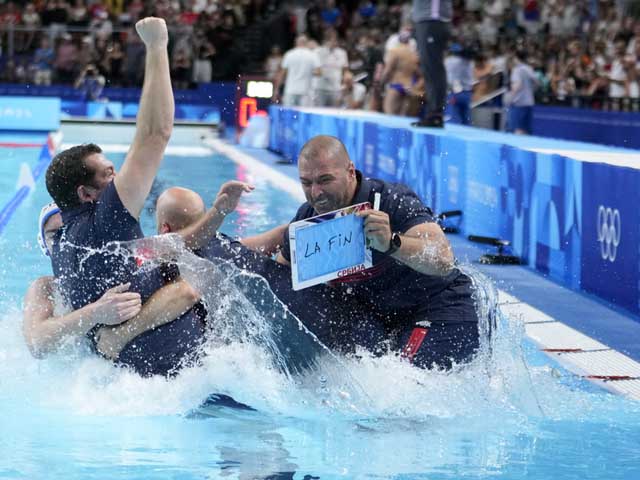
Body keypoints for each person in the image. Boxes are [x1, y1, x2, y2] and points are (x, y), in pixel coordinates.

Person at [42, 17, 230, 377]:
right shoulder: (104, 219)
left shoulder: (68, 243)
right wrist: (157, 45)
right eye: (108, 176)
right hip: (169, 372)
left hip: (128, 375)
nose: (118, 180)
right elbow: (155, 133)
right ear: (86, 193)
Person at [257, 135, 482, 370]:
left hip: (438, 307)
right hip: (378, 319)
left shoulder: (390, 200)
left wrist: (392, 243)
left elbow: (443, 258)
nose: (316, 193)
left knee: (406, 384)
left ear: (350, 172)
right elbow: (279, 282)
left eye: (325, 180)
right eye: (306, 183)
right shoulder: (310, 219)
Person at [411, 0, 453, 128]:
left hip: (433, 18)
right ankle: (433, 113)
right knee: (429, 69)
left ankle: (436, 114)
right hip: (426, 19)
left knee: (434, 69)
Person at [380, 30, 421, 116]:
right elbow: (418, 73)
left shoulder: (394, 51)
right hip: (410, 85)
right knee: (404, 116)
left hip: (397, 84)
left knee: (389, 113)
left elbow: (388, 70)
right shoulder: (414, 54)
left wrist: (381, 82)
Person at [273, 35, 321, 107]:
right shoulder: (312, 55)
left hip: (290, 90)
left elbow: (282, 74)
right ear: (306, 43)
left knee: (289, 115)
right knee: (303, 116)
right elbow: (319, 72)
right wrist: (308, 72)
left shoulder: (289, 54)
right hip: (305, 92)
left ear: (296, 43)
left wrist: (276, 90)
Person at [505, 50, 538, 135]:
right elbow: (537, 82)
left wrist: (509, 98)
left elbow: (517, 85)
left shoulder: (516, 70)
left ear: (516, 58)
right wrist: (531, 91)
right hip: (529, 103)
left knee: (517, 130)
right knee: (526, 130)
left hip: (518, 104)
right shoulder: (529, 68)